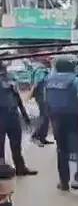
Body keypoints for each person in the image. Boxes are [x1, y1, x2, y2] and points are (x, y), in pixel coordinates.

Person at [45, 54, 78, 193]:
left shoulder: (49, 79)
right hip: (75, 117)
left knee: (62, 151)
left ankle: (64, 182)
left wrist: (51, 121)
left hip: (57, 119)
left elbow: (46, 102)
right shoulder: (76, 79)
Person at [0, 48, 37, 177]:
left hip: (13, 114)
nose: (7, 61)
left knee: (16, 143)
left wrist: (25, 115)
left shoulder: (10, 76)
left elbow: (17, 97)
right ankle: (2, 170)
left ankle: (21, 168)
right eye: (4, 58)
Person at [29, 54, 54, 147]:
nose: (50, 59)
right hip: (42, 96)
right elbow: (36, 84)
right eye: (48, 57)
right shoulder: (40, 70)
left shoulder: (47, 69)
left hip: (46, 96)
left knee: (46, 117)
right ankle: (35, 137)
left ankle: (42, 137)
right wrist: (30, 95)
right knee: (44, 117)